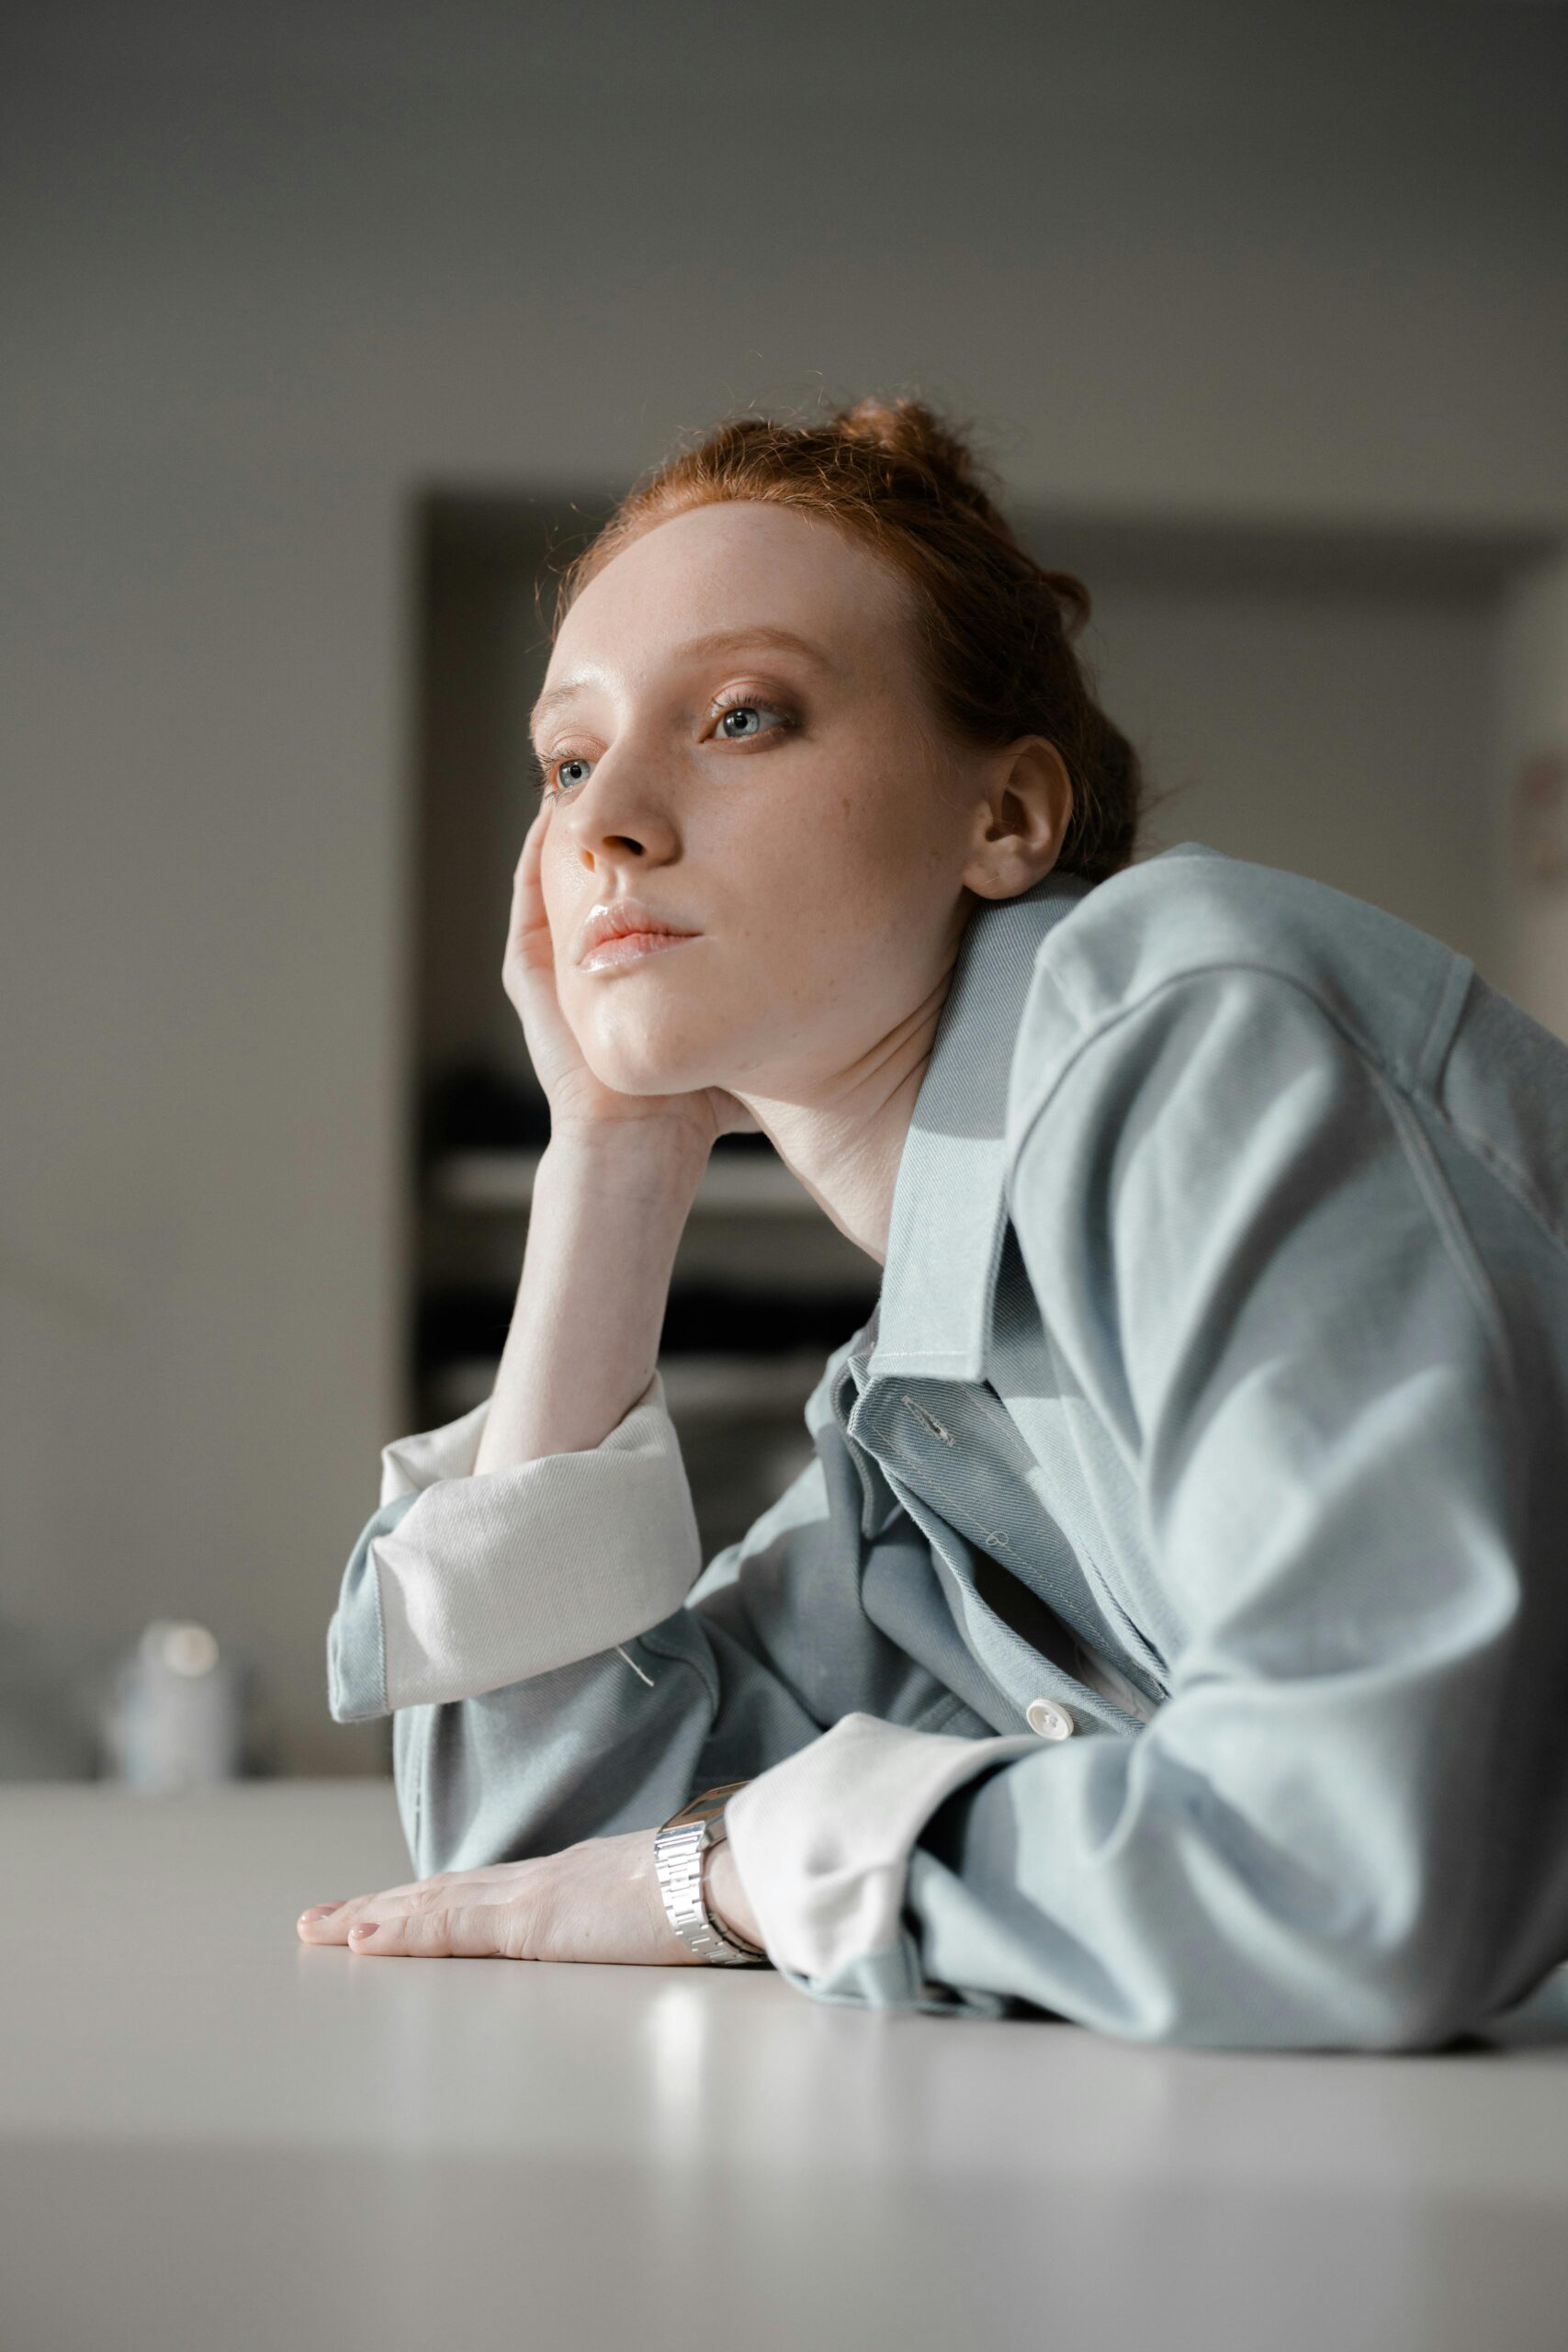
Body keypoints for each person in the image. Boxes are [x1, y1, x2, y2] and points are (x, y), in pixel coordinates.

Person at [298, 395, 1568, 2049]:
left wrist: (762, 1864)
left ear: (1006, 819)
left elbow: (1368, 1871)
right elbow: (543, 1866)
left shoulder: (1188, 1021)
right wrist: (607, 1157)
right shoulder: (923, 1407)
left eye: (742, 717)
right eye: (566, 756)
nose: (603, 819)